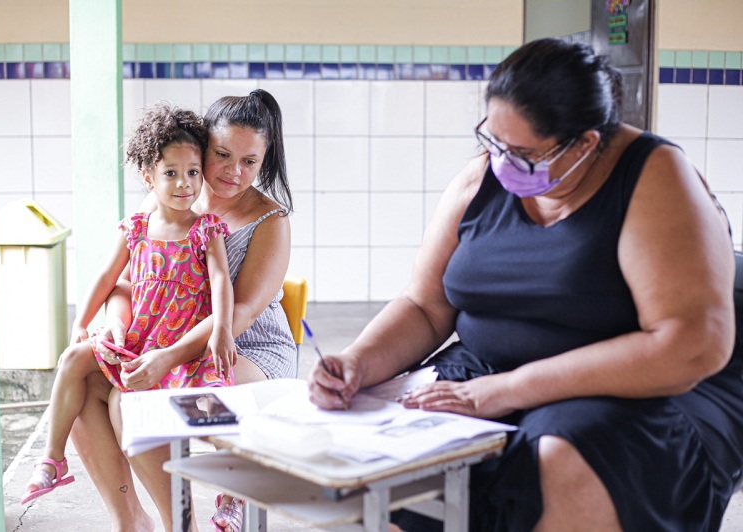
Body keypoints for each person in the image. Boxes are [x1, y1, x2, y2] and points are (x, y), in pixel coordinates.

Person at [308, 38, 743, 531]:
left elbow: (688, 347)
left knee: (558, 455)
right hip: (490, 367)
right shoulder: (482, 176)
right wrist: (358, 362)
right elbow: (426, 306)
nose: (501, 162)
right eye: (493, 142)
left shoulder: (656, 176)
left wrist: (508, 390)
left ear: (586, 144)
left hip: (633, 385)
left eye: (524, 153)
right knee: (383, 450)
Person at [70, 89, 296, 532]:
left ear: (264, 161)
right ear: (203, 145)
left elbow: (242, 312)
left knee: (134, 399)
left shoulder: (271, 221)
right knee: (83, 382)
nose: (233, 171)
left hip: (245, 350)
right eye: (223, 154)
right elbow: (127, 283)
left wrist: (168, 357)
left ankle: (180, 524)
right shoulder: (166, 196)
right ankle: (130, 519)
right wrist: (117, 327)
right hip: (164, 338)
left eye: (249, 162)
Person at [21, 103, 236, 506]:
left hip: (177, 345)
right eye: (170, 173)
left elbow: (222, 280)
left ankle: (231, 491)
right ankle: (52, 459)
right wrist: (81, 323)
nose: (183, 183)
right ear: (148, 177)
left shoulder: (206, 229)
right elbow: (106, 278)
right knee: (72, 359)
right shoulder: (136, 227)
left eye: (192, 172)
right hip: (138, 337)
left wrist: (222, 328)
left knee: (204, 411)